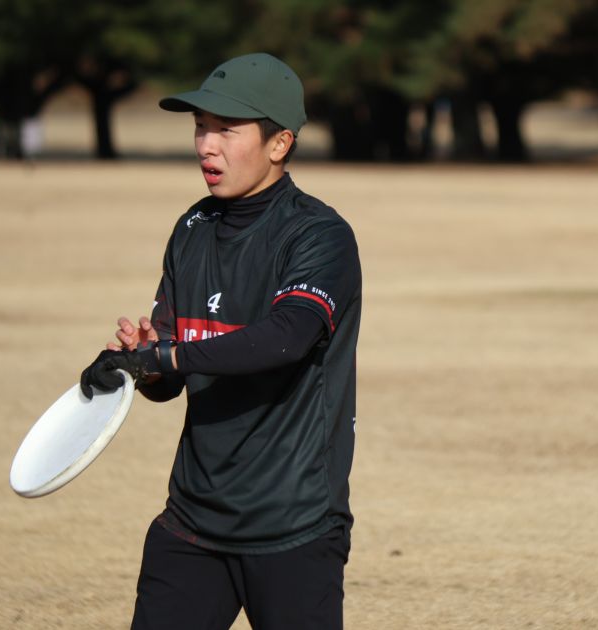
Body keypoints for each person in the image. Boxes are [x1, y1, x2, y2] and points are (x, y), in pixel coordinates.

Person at [80, 52, 361, 630]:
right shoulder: (193, 227)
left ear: (279, 143)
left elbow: (285, 339)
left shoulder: (318, 234)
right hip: (193, 521)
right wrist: (139, 364)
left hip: (294, 524)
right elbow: (171, 379)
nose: (206, 146)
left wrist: (166, 354)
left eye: (227, 130)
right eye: (200, 126)